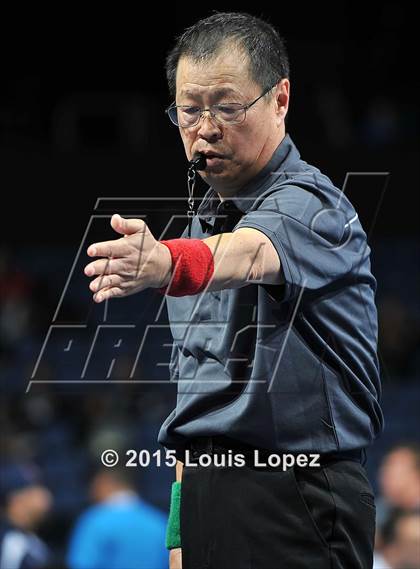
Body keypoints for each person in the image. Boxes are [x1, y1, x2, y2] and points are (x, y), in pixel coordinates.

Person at [84, 12, 384, 568]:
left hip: (296, 495)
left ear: (280, 100)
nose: (205, 128)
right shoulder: (199, 226)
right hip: (207, 500)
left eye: (227, 107)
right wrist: (179, 534)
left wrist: (166, 262)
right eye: (189, 111)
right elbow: (192, 400)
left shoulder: (314, 206)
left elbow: (248, 254)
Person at [66, 467, 167, 569]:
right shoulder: (160, 521)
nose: (91, 491)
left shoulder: (94, 521)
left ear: (104, 483)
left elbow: (83, 565)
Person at [0, 463, 52, 569]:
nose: (44, 495)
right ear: (16, 499)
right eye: (33, 490)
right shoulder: (11, 544)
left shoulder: (31, 540)